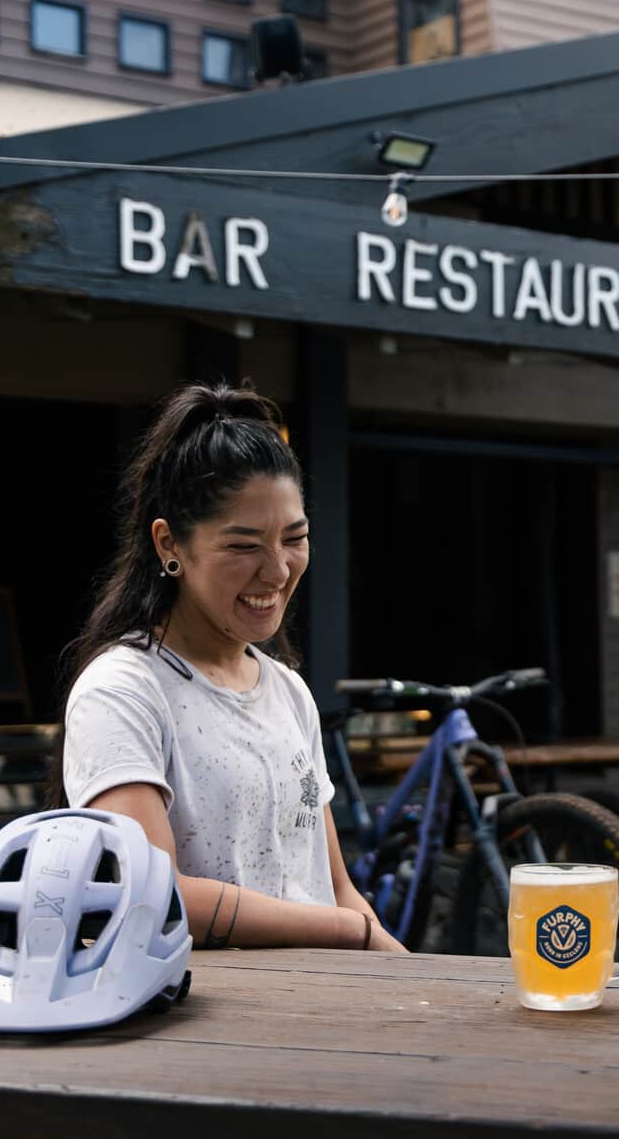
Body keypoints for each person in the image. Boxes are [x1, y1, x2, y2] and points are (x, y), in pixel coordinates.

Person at [60, 382, 406, 952]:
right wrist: (349, 931)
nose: (276, 570)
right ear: (169, 543)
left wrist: (410, 976)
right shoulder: (123, 689)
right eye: (244, 546)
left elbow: (335, 888)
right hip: (207, 1028)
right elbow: (152, 893)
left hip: (320, 1014)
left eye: (295, 538)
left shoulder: (289, 692)